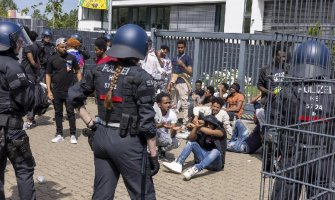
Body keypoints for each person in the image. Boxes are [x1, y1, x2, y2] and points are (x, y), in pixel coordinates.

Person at [68, 24, 159, 199]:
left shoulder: (98, 69)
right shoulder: (141, 77)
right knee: (143, 194)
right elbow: (147, 122)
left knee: (101, 194)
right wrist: (153, 155)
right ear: (140, 47)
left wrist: (91, 123)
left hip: (100, 139)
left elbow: (73, 96)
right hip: (128, 142)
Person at [268, 40, 335, 199]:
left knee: (285, 192)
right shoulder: (332, 89)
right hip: (323, 154)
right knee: (323, 191)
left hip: (293, 151)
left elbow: (275, 120)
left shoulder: (289, 86)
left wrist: (277, 150)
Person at [0, 21, 37, 199]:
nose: (21, 43)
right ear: (9, 42)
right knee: (24, 170)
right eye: (18, 40)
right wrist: (37, 91)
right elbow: (26, 99)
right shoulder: (12, 66)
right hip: (11, 130)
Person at [162, 115, 226, 181]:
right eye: (207, 123)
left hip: (215, 165)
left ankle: (195, 169)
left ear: (214, 125)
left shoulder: (221, 131)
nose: (208, 126)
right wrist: (195, 128)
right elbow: (190, 138)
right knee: (191, 143)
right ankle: (178, 164)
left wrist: (196, 126)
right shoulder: (202, 132)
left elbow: (211, 132)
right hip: (202, 159)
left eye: (211, 124)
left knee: (216, 151)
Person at [46, 38, 82, 144]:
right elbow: (48, 74)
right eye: (62, 47)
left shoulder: (72, 57)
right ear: (57, 47)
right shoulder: (51, 59)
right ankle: (59, 134)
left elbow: (78, 71)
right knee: (58, 113)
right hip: (56, 91)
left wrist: (79, 86)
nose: (64, 49)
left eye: (65, 47)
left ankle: (72, 134)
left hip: (69, 90)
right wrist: (49, 90)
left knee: (71, 113)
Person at [169, 40, 193, 124]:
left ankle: (185, 121)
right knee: (173, 102)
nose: (180, 49)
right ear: (177, 48)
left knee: (184, 103)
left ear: (184, 48)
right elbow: (172, 71)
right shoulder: (174, 58)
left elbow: (190, 72)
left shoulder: (187, 58)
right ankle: (173, 120)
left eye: (181, 47)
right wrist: (170, 83)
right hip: (174, 81)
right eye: (178, 47)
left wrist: (183, 65)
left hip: (183, 81)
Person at [22, 31, 41, 129]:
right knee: (31, 96)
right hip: (32, 75)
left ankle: (29, 119)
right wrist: (38, 69)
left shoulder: (27, 47)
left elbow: (33, 62)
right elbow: (37, 60)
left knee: (29, 97)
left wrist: (36, 66)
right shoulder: (36, 46)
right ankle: (31, 119)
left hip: (27, 74)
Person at [154, 92, 180, 159]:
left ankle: (162, 150)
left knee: (176, 143)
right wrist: (161, 125)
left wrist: (174, 130)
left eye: (169, 102)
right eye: (165, 103)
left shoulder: (172, 114)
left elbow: (172, 135)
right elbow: (149, 127)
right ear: (159, 104)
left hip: (163, 137)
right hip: (152, 136)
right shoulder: (154, 112)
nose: (168, 105)